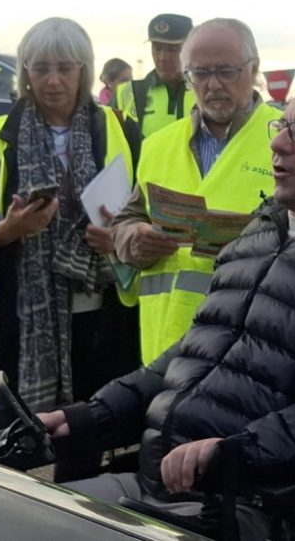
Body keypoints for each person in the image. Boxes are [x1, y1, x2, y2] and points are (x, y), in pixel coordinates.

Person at [39, 78, 295, 539]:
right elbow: (192, 355)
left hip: (258, 505)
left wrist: (239, 452)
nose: (277, 142)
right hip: (160, 484)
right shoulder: (259, 234)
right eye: (282, 125)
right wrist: (90, 416)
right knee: (12, 513)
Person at [0, 17, 142, 482]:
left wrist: (118, 238)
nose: (53, 80)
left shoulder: (121, 130)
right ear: (25, 73)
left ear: (84, 70)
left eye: (64, 67)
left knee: (83, 441)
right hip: (23, 319)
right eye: (40, 68)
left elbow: (146, 217)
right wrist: (9, 229)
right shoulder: (1, 135)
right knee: (9, 442)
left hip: (101, 318)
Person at [110, 18, 281, 364]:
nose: (213, 85)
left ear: (254, 69)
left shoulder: (286, 139)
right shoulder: (158, 144)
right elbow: (127, 220)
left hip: (248, 349)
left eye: (226, 71)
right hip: (164, 348)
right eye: (200, 74)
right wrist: (135, 239)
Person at [115, 13, 196, 137]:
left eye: (173, 49)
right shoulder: (126, 94)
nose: (163, 58)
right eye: (157, 48)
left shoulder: (205, 93)